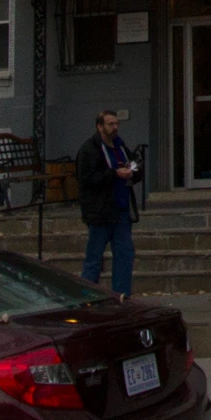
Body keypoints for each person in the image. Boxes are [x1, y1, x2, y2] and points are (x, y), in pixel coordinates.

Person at [75, 110, 139, 296]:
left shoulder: (121, 147)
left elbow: (133, 165)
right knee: (94, 258)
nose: (115, 128)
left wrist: (133, 172)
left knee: (124, 255)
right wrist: (113, 173)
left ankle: (121, 296)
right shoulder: (89, 149)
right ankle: (86, 297)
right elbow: (86, 179)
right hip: (100, 213)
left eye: (117, 124)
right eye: (110, 124)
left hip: (121, 211)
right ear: (100, 126)